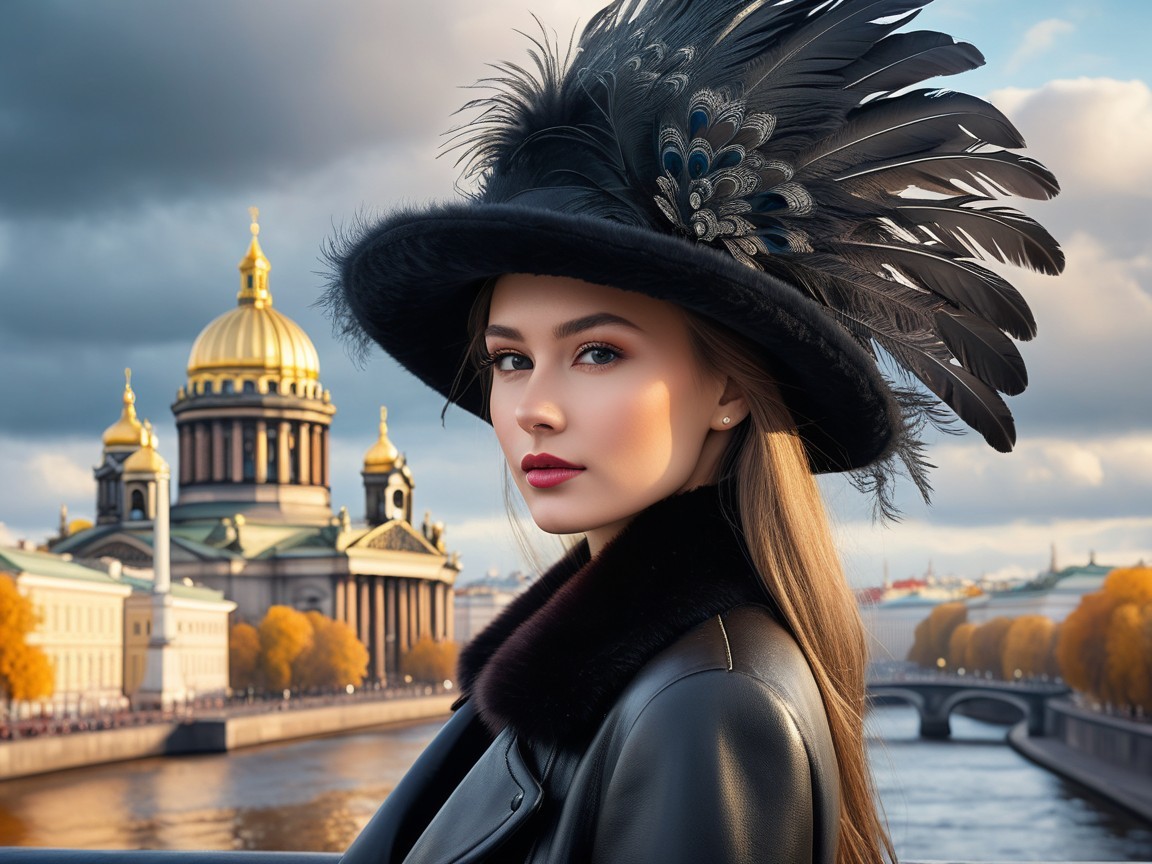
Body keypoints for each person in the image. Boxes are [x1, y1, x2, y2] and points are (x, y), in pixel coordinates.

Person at [323, 1, 1062, 862]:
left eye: (597, 353)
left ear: (728, 390)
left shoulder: (707, 707)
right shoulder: (641, 682)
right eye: (510, 361)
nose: (534, 407)